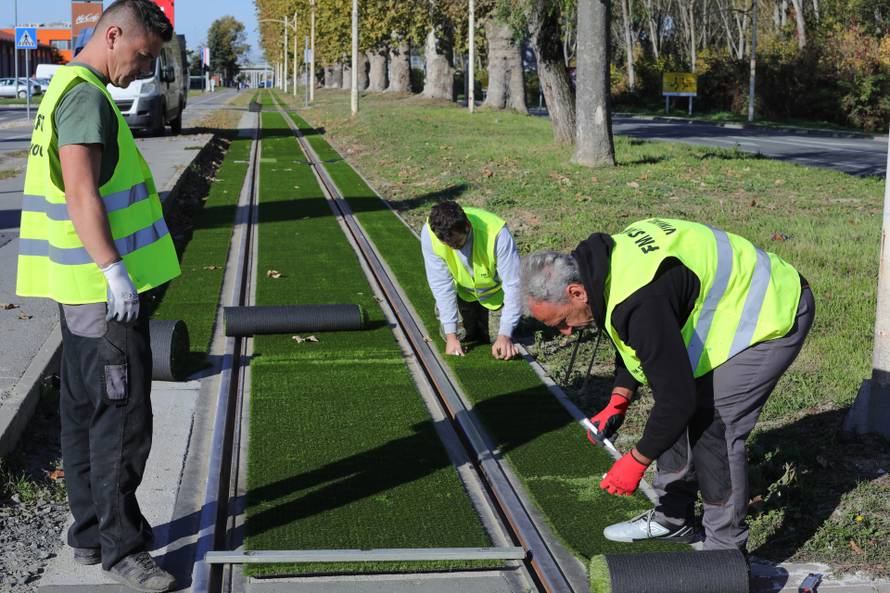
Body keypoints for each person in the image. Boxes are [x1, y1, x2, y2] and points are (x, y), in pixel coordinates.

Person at [520, 217, 814, 553]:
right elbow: (637, 345)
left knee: (714, 425)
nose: (567, 333)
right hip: (728, 307)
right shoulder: (601, 270)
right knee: (675, 404)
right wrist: (619, 398)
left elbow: (677, 399)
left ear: (575, 292)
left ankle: (725, 549)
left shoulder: (639, 301)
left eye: (561, 322)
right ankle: (672, 519)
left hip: (772, 310)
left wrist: (636, 459)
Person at [16, 1, 181, 590]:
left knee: (83, 413)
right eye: (140, 55)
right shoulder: (86, 97)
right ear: (113, 35)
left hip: (77, 294)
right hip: (103, 297)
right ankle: (122, 550)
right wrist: (114, 269)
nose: (141, 70)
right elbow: (81, 193)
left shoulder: (65, 85)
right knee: (122, 419)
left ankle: (89, 532)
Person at [421, 200, 521, 360]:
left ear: (468, 226)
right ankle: (448, 314)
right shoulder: (429, 234)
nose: (453, 247)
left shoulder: (497, 234)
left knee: (498, 341)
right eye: (447, 244)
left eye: (458, 242)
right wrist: (451, 336)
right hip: (463, 293)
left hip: (494, 297)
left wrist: (505, 335)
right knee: (462, 336)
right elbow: (441, 284)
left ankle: (486, 321)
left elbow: (514, 285)